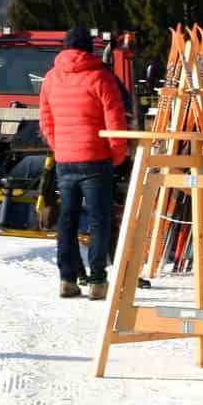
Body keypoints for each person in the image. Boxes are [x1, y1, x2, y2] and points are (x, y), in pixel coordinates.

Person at [37, 26, 130, 301]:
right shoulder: (101, 77)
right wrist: (117, 155)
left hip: (66, 159)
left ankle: (67, 278)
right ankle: (98, 280)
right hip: (96, 158)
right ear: (89, 48)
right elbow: (115, 121)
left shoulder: (51, 78)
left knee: (68, 220)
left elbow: (45, 119)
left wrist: (59, 146)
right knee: (100, 220)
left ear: (64, 48)